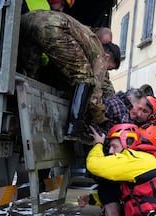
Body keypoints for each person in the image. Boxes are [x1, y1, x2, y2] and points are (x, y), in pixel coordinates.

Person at [18, 10, 121, 138]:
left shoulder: (83, 32)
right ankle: (74, 129)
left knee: (31, 73)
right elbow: (94, 95)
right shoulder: (100, 55)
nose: (106, 71)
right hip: (53, 28)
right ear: (107, 56)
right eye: (109, 68)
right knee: (85, 78)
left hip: (24, 22)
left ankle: (19, 107)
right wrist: (101, 119)